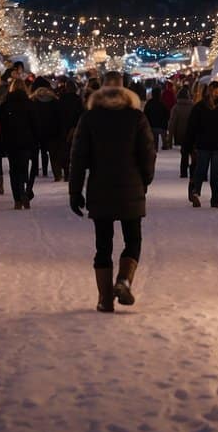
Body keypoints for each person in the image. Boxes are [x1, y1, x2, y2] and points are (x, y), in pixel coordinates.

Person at [69, 71, 157, 312]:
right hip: (131, 187)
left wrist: (75, 191)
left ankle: (105, 299)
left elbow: (78, 158)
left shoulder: (89, 118)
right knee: (133, 240)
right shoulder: (136, 117)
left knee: (103, 245)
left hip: (100, 188)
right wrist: (145, 181)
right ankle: (124, 280)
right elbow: (148, 154)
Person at [185, 81, 218, 207]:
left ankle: (196, 192)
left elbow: (191, 127)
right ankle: (214, 199)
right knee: (216, 174)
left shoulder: (199, 106)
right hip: (217, 146)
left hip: (204, 145)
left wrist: (189, 145)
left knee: (201, 170)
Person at [0, 79, 39, 209]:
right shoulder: (29, 104)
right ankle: (24, 193)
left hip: (11, 141)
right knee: (24, 168)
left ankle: (17, 198)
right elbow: (35, 124)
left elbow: (1, 125)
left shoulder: (5, 104)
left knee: (13, 170)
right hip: (26, 141)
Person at [31, 78, 65, 182]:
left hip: (37, 131)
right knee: (53, 153)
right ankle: (56, 173)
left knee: (36, 152)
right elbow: (60, 117)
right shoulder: (54, 100)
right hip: (52, 131)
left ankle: (35, 170)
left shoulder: (33, 100)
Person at [57, 78, 86, 181]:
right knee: (73, 151)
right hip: (75, 128)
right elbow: (82, 114)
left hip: (63, 128)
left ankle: (66, 172)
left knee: (65, 150)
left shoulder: (61, 99)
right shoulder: (78, 99)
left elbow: (58, 114)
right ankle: (73, 171)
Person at [168, 86, 195, 179]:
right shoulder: (193, 107)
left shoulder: (176, 108)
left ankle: (183, 172)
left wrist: (169, 139)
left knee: (184, 153)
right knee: (193, 153)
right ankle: (193, 170)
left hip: (180, 134)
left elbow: (172, 124)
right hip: (192, 134)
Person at [143, 87, 170, 153]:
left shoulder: (149, 103)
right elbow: (167, 114)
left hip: (152, 125)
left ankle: (155, 148)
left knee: (154, 136)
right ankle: (165, 145)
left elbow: (145, 114)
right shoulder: (163, 103)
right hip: (162, 125)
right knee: (163, 134)